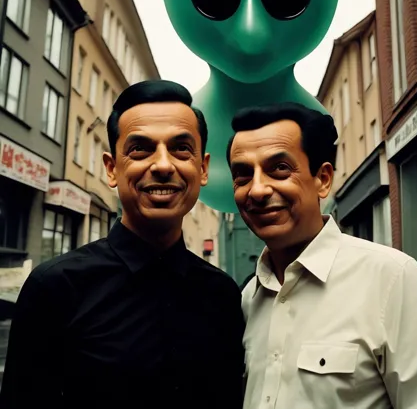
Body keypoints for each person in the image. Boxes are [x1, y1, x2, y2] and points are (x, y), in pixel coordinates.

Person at [1, 80, 245, 409]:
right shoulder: (56, 288)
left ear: (202, 168)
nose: (162, 165)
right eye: (140, 149)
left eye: (181, 148)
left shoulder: (224, 296)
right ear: (112, 169)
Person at [226, 102, 417, 408]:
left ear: (323, 179)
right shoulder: (248, 299)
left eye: (280, 169)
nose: (257, 190)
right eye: (243, 175)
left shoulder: (392, 279)